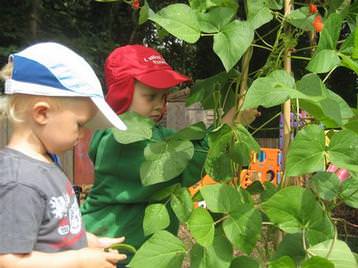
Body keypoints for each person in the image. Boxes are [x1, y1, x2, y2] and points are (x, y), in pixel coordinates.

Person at [81, 44, 260, 258]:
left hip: (128, 253)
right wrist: (227, 127)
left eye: (163, 97)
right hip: (102, 250)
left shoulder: (153, 133)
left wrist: (224, 128)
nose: (160, 106)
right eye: (150, 97)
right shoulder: (119, 140)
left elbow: (181, 144)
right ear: (123, 94)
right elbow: (181, 165)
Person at [0, 42, 129, 268]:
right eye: (79, 124)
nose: (83, 133)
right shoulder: (19, 182)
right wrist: (78, 261)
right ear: (42, 113)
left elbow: (53, 232)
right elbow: (8, 261)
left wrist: (89, 242)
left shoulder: (46, 164)